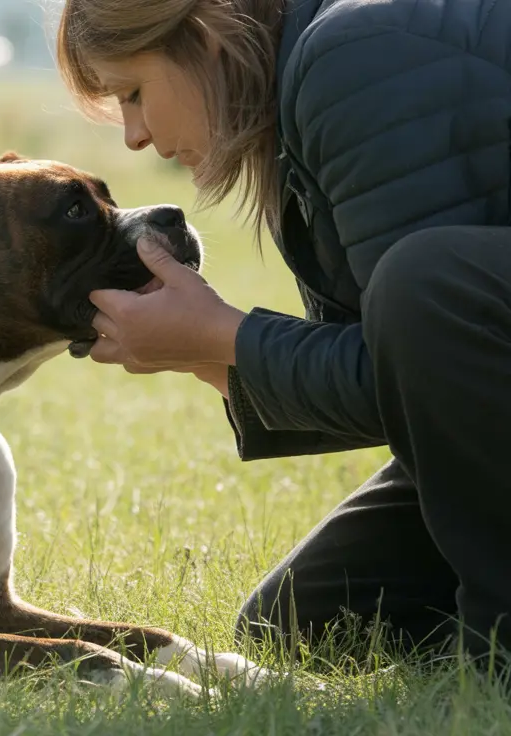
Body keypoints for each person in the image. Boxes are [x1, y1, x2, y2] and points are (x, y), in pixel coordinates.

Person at [54, 0, 511, 668]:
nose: (134, 135)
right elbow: (416, 381)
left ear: (202, 36)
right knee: (301, 623)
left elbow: (427, 327)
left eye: (134, 93)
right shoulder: (301, 88)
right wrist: (209, 355)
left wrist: (223, 339)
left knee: (423, 279)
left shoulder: (349, 56)